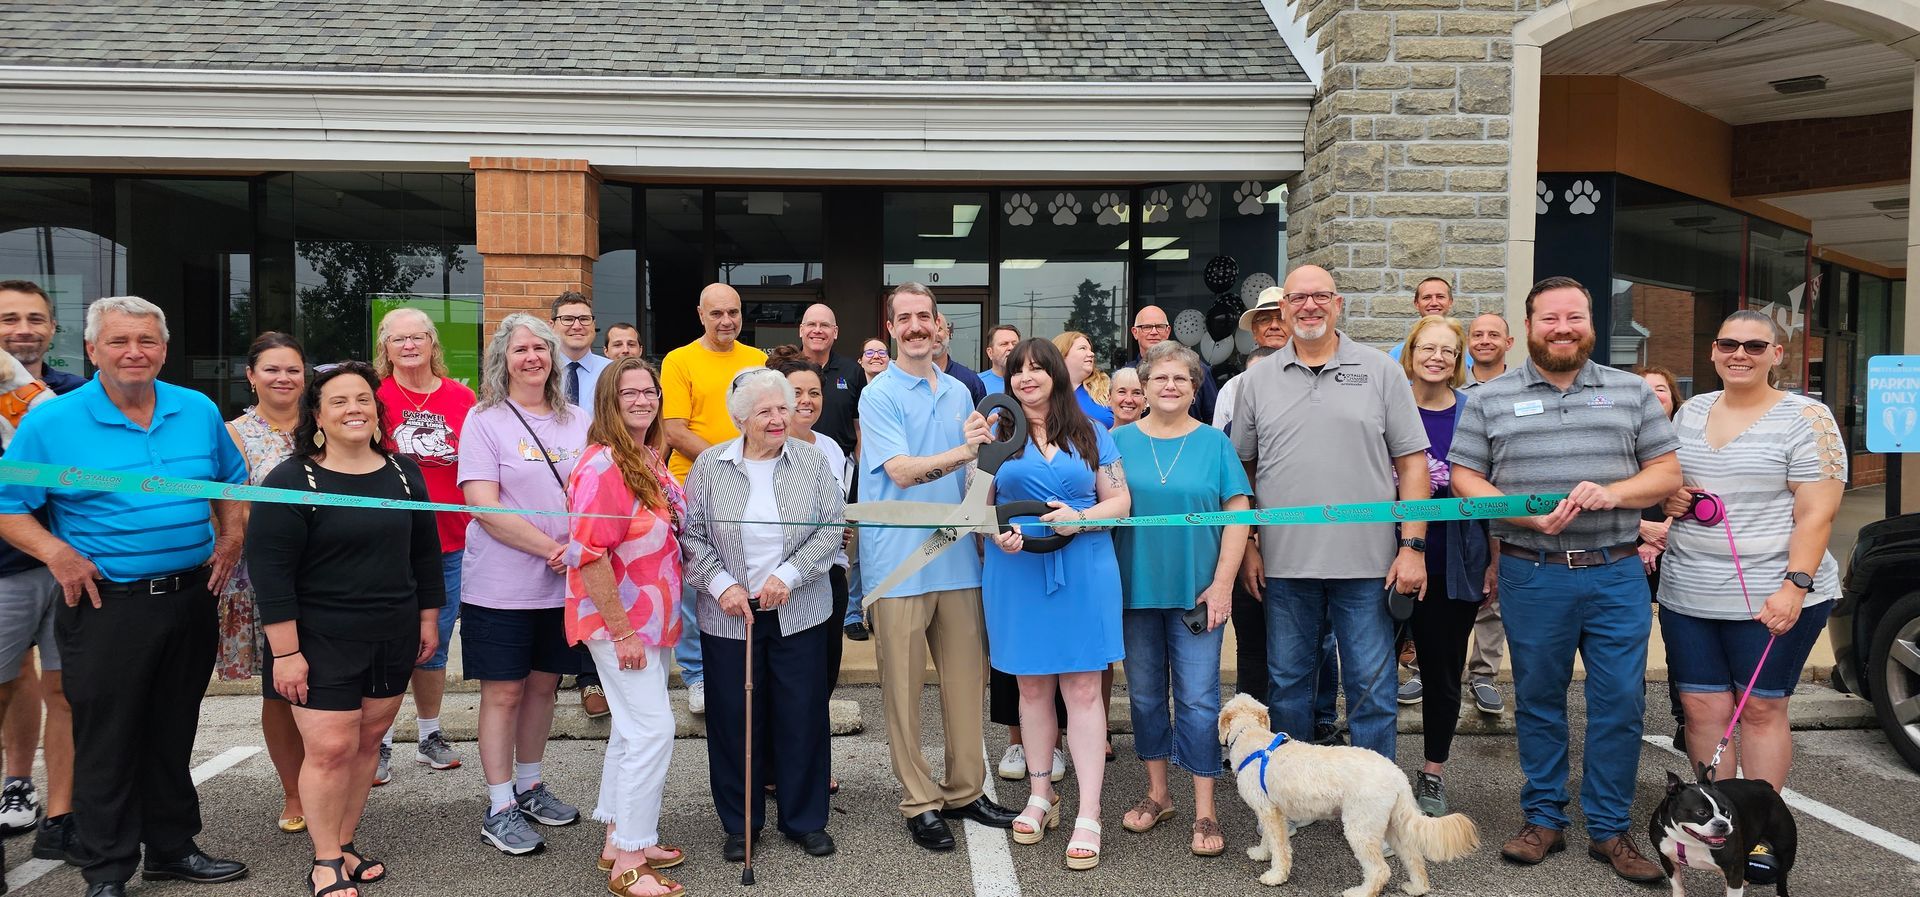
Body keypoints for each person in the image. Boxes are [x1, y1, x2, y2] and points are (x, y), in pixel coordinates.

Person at [0, 296, 250, 897]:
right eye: (118, 341)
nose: (134, 352)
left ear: (163, 349)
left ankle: (170, 847)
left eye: (146, 341)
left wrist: (232, 534)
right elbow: (9, 508)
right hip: (106, 604)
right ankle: (107, 869)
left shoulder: (195, 408)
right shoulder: (51, 423)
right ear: (91, 351)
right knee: (108, 736)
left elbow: (231, 481)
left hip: (190, 597)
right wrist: (58, 554)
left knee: (172, 728)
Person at [1448, 275, 1680, 882]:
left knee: (1621, 704)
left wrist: (1613, 494)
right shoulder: (1490, 399)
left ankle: (1609, 829)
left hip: (1616, 574)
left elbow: (1666, 474)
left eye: (1573, 317)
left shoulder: (1631, 392)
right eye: (1549, 319)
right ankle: (1544, 818)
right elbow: (1466, 480)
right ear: (1528, 327)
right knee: (1541, 701)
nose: (1562, 328)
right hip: (1534, 573)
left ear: (1591, 324)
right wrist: (1523, 513)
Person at [245, 361, 444, 897]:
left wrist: (429, 619)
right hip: (319, 638)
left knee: (367, 743)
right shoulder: (291, 479)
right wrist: (286, 653)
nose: (354, 409)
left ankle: (347, 841)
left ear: (378, 412)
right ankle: (325, 859)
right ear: (316, 415)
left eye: (363, 399)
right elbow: (271, 572)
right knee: (331, 748)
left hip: (393, 632)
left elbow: (425, 552)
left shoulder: (404, 472)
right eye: (339, 401)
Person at [1231, 266, 1430, 770]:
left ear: (1338, 303)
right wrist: (1249, 544)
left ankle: (1375, 796)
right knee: (1289, 686)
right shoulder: (1256, 380)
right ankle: (1296, 795)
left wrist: (1413, 547)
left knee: (1372, 689)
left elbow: (1412, 464)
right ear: (1284, 309)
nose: (1309, 307)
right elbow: (1241, 473)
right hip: (1286, 565)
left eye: (1320, 296)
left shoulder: (1382, 372)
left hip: (1369, 565)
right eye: (1298, 298)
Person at [1657, 311, 1845, 798]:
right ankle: (1718, 822)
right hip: (1690, 591)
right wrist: (1672, 498)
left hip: (1773, 595)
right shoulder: (1691, 411)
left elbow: (1816, 515)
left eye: (1755, 346)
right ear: (1713, 352)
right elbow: (1674, 484)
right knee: (1701, 708)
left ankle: (1758, 826)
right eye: (1729, 344)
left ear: (1776, 355)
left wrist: (1794, 587)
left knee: (1761, 708)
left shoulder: (1808, 418)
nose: (1740, 354)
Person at [858, 282, 1018, 852]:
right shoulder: (878, 395)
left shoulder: (960, 393)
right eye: (905, 318)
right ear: (892, 329)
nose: (917, 326)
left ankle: (966, 790)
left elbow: (976, 477)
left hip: (957, 560)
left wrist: (987, 516)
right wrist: (965, 451)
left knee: (964, 684)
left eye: (925, 316)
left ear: (941, 325)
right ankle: (920, 801)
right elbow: (900, 471)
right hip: (899, 564)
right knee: (901, 689)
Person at [682, 368, 845, 861]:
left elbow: (830, 530)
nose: (779, 419)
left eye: (784, 408)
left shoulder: (813, 463)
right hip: (729, 614)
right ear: (741, 419)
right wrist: (722, 585)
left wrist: (788, 575)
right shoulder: (709, 466)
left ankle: (804, 819)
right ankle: (741, 823)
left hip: (799, 610)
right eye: (766, 411)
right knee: (734, 717)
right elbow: (692, 538)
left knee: (802, 713)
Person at [985, 337, 1131, 871]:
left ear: (1055, 375)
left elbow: (1119, 500)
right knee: (1030, 684)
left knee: (1084, 687)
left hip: (1085, 567)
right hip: (1016, 570)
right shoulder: (995, 434)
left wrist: (1081, 517)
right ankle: (1040, 795)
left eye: (1036, 369)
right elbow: (978, 508)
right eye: (1017, 371)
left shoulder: (1092, 431)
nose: (1026, 378)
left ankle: (1088, 810)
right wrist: (995, 534)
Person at [459, 313, 591, 856]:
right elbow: (482, 506)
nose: (532, 357)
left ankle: (531, 784)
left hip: (561, 585)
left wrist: (579, 547)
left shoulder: (579, 419)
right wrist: (551, 548)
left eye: (541, 347)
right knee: (504, 691)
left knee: (543, 686)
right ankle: (499, 804)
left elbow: (593, 495)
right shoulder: (484, 420)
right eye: (521, 350)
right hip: (501, 584)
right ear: (502, 360)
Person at [1112, 340, 1249, 858]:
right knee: (1145, 697)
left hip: (1198, 594)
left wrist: (1222, 584)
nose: (1170, 386)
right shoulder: (1117, 441)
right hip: (1133, 592)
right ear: (1142, 387)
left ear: (1195, 388)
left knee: (1197, 700)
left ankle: (1205, 809)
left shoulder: (1215, 443)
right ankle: (1157, 794)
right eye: (1160, 378)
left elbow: (1238, 512)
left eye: (1182, 379)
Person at [563, 356, 691, 897]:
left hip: (650, 618)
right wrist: (621, 631)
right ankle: (630, 863)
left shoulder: (644, 456)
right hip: (620, 622)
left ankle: (621, 836)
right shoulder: (602, 466)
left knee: (629, 729)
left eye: (650, 392)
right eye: (630, 393)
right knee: (653, 731)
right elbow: (588, 555)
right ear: (609, 402)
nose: (643, 400)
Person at [1393, 316, 1495, 818]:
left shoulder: (1475, 412)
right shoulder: (1387, 405)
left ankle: (1432, 771)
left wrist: (1492, 562)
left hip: (1456, 559)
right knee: (1370, 669)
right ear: (1409, 353)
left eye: (1448, 351)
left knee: (1443, 671)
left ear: (1460, 361)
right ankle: (1372, 770)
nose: (1436, 357)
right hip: (1383, 553)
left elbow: (1495, 488)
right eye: (1427, 348)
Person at [372, 306, 479, 769]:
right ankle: (380, 739)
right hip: (386, 542)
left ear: (434, 344)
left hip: (450, 542)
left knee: (433, 638)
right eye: (399, 340)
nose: (409, 346)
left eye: (418, 338)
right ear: (386, 349)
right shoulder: (374, 397)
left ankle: (430, 734)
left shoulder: (463, 398)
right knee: (388, 640)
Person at [661, 283, 769, 715]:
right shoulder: (679, 360)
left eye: (734, 312)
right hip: (695, 480)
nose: (727, 321)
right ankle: (697, 674)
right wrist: (727, 461)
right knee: (698, 577)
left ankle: (743, 664)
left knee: (745, 572)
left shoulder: (757, 361)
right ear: (700, 314)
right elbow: (674, 429)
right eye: (717, 313)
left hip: (754, 478)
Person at [216, 332, 308, 835]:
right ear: (251, 376)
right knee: (281, 691)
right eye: (271, 369)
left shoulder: (323, 426)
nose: (283, 378)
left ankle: (329, 777)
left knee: (328, 685)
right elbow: (233, 505)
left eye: (292, 369)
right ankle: (294, 790)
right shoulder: (233, 433)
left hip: (327, 575)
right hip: (266, 576)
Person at [0, 279, 80, 858]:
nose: (22, 330)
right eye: (8, 319)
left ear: (53, 329)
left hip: (71, 567)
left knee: (67, 691)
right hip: (3, 572)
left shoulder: (75, 397)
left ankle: (62, 816)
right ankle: (17, 783)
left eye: (35, 319)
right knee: (5, 687)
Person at [767, 346, 853, 794]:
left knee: (822, 679)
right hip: (779, 582)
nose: (806, 401)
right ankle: (773, 768)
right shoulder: (764, 446)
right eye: (796, 392)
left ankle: (812, 766)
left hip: (827, 576)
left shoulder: (832, 447)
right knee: (783, 683)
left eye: (815, 392)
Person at [1635, 364, 1685, 749]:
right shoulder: (1625, 439)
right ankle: (1630, 720)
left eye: (1661, 390)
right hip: (1630, 552)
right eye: (1645, 389)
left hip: (1677, 550)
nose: (1653, 396)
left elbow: (1694, 490)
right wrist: (1641, 531)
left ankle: (1684, 719)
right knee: (1630, 643)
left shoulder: (1689, 439)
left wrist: (1665, 531)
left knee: (1680, 642)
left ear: (1672, 398)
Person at [844, 336, 891, 642]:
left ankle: (876, 611)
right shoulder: (854, 389)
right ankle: (852, 613)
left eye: (882, 352)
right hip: (860, 475)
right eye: (869, 352)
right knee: (857, 551)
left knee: (883, 548)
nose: (876, 356)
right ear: (861, 360)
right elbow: (857, 431)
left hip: (890, 479)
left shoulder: (895, 390)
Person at [1125, 306, 1218, 422]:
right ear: (1135, 332)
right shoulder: (1126, 374)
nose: (1154, 332)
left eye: (1159, 327)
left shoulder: (1196, 369)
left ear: (1168, 331)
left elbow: (1213, 416)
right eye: (1147, 327)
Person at [796, 304, 861, 456]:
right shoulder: (784, 370)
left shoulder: (853, 371)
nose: (817, 330)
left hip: (841, 465)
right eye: (811, 324)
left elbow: (859, 428)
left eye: (824, 325)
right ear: (801, 330)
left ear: (835, 332)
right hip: (791, 461)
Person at [1387, 277, 1473, 370]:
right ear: (1416, 303)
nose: (1434, 303)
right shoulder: (1397, 354)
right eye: (1427, 297)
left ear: (1450, 302)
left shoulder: (1468, 354)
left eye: (1440, 297)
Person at [552, 291, 612, 416]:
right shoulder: (540, 371)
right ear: (552, 326)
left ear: (593, 325)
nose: (577, 326)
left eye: (584, 319)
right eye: (568, 319)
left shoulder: (612, 372)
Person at [1053, 331, 1113, 428]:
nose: (1092, 354)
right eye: (1083, 348)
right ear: (1062, 354)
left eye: (1090, 349)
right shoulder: (1046, 394)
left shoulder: (1107, 389)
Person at [932, 313, 988, 406]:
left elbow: (981, 418)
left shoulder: (971, 381)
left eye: (939, 329)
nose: (934, 334)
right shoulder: (910, 378)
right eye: (930, 330)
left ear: (948, 333)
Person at [979, 324, 1021, 395]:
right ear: (990, 352)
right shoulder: (977, 383)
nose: (1011, 348)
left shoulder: (1028, 382)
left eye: (1015, 344)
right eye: (1004, 344)